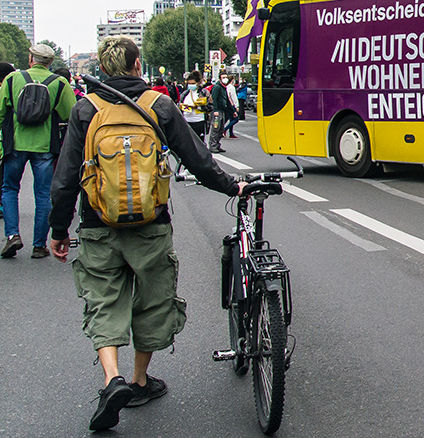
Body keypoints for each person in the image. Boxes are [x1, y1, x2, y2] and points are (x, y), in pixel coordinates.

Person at [48, 36, 245, 432]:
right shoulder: (159, 105)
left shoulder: (88, 108)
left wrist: (57, 229)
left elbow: (66, 176)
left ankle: (111, 379)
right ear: (138, 66)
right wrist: (232, 187)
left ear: (103, 69)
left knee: (104, 300)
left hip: (97, 224)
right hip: (151, 225)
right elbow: (198, 161)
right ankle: (139, 381)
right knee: (154, 301)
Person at [0, 44, 76, 260]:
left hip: (15, 144)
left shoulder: (12, 80)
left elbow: (0, 111)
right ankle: (39, 245)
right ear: (51, 62)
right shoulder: (59, 83)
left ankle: (12, 234)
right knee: (43, 195)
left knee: (9, 188)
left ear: (31, 58)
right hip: (44, 145)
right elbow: (69, 115)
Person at [208, 73, 235, 153]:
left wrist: (232, 111)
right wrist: (215, 110)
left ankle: (217, 144)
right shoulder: (217, 87)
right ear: (220, 78)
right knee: (215, 128)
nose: (225, 79)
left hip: (223, 111)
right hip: (217, 111)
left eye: (226, 77)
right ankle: (213, 145)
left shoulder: (223, 88)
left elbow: (227, 100)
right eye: (223, 77)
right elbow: (214, 99)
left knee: (220, 129)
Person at [178, 71, 209, 141]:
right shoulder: (185, 94)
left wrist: (198, 106)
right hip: (187, 120)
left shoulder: (204, 93)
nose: (191, 85)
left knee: (199, 141)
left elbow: (210, 107)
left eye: (193, 83)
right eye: (189, 84)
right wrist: (181, 106)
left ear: (198, 83)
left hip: (199, 120)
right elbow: (180, 105)